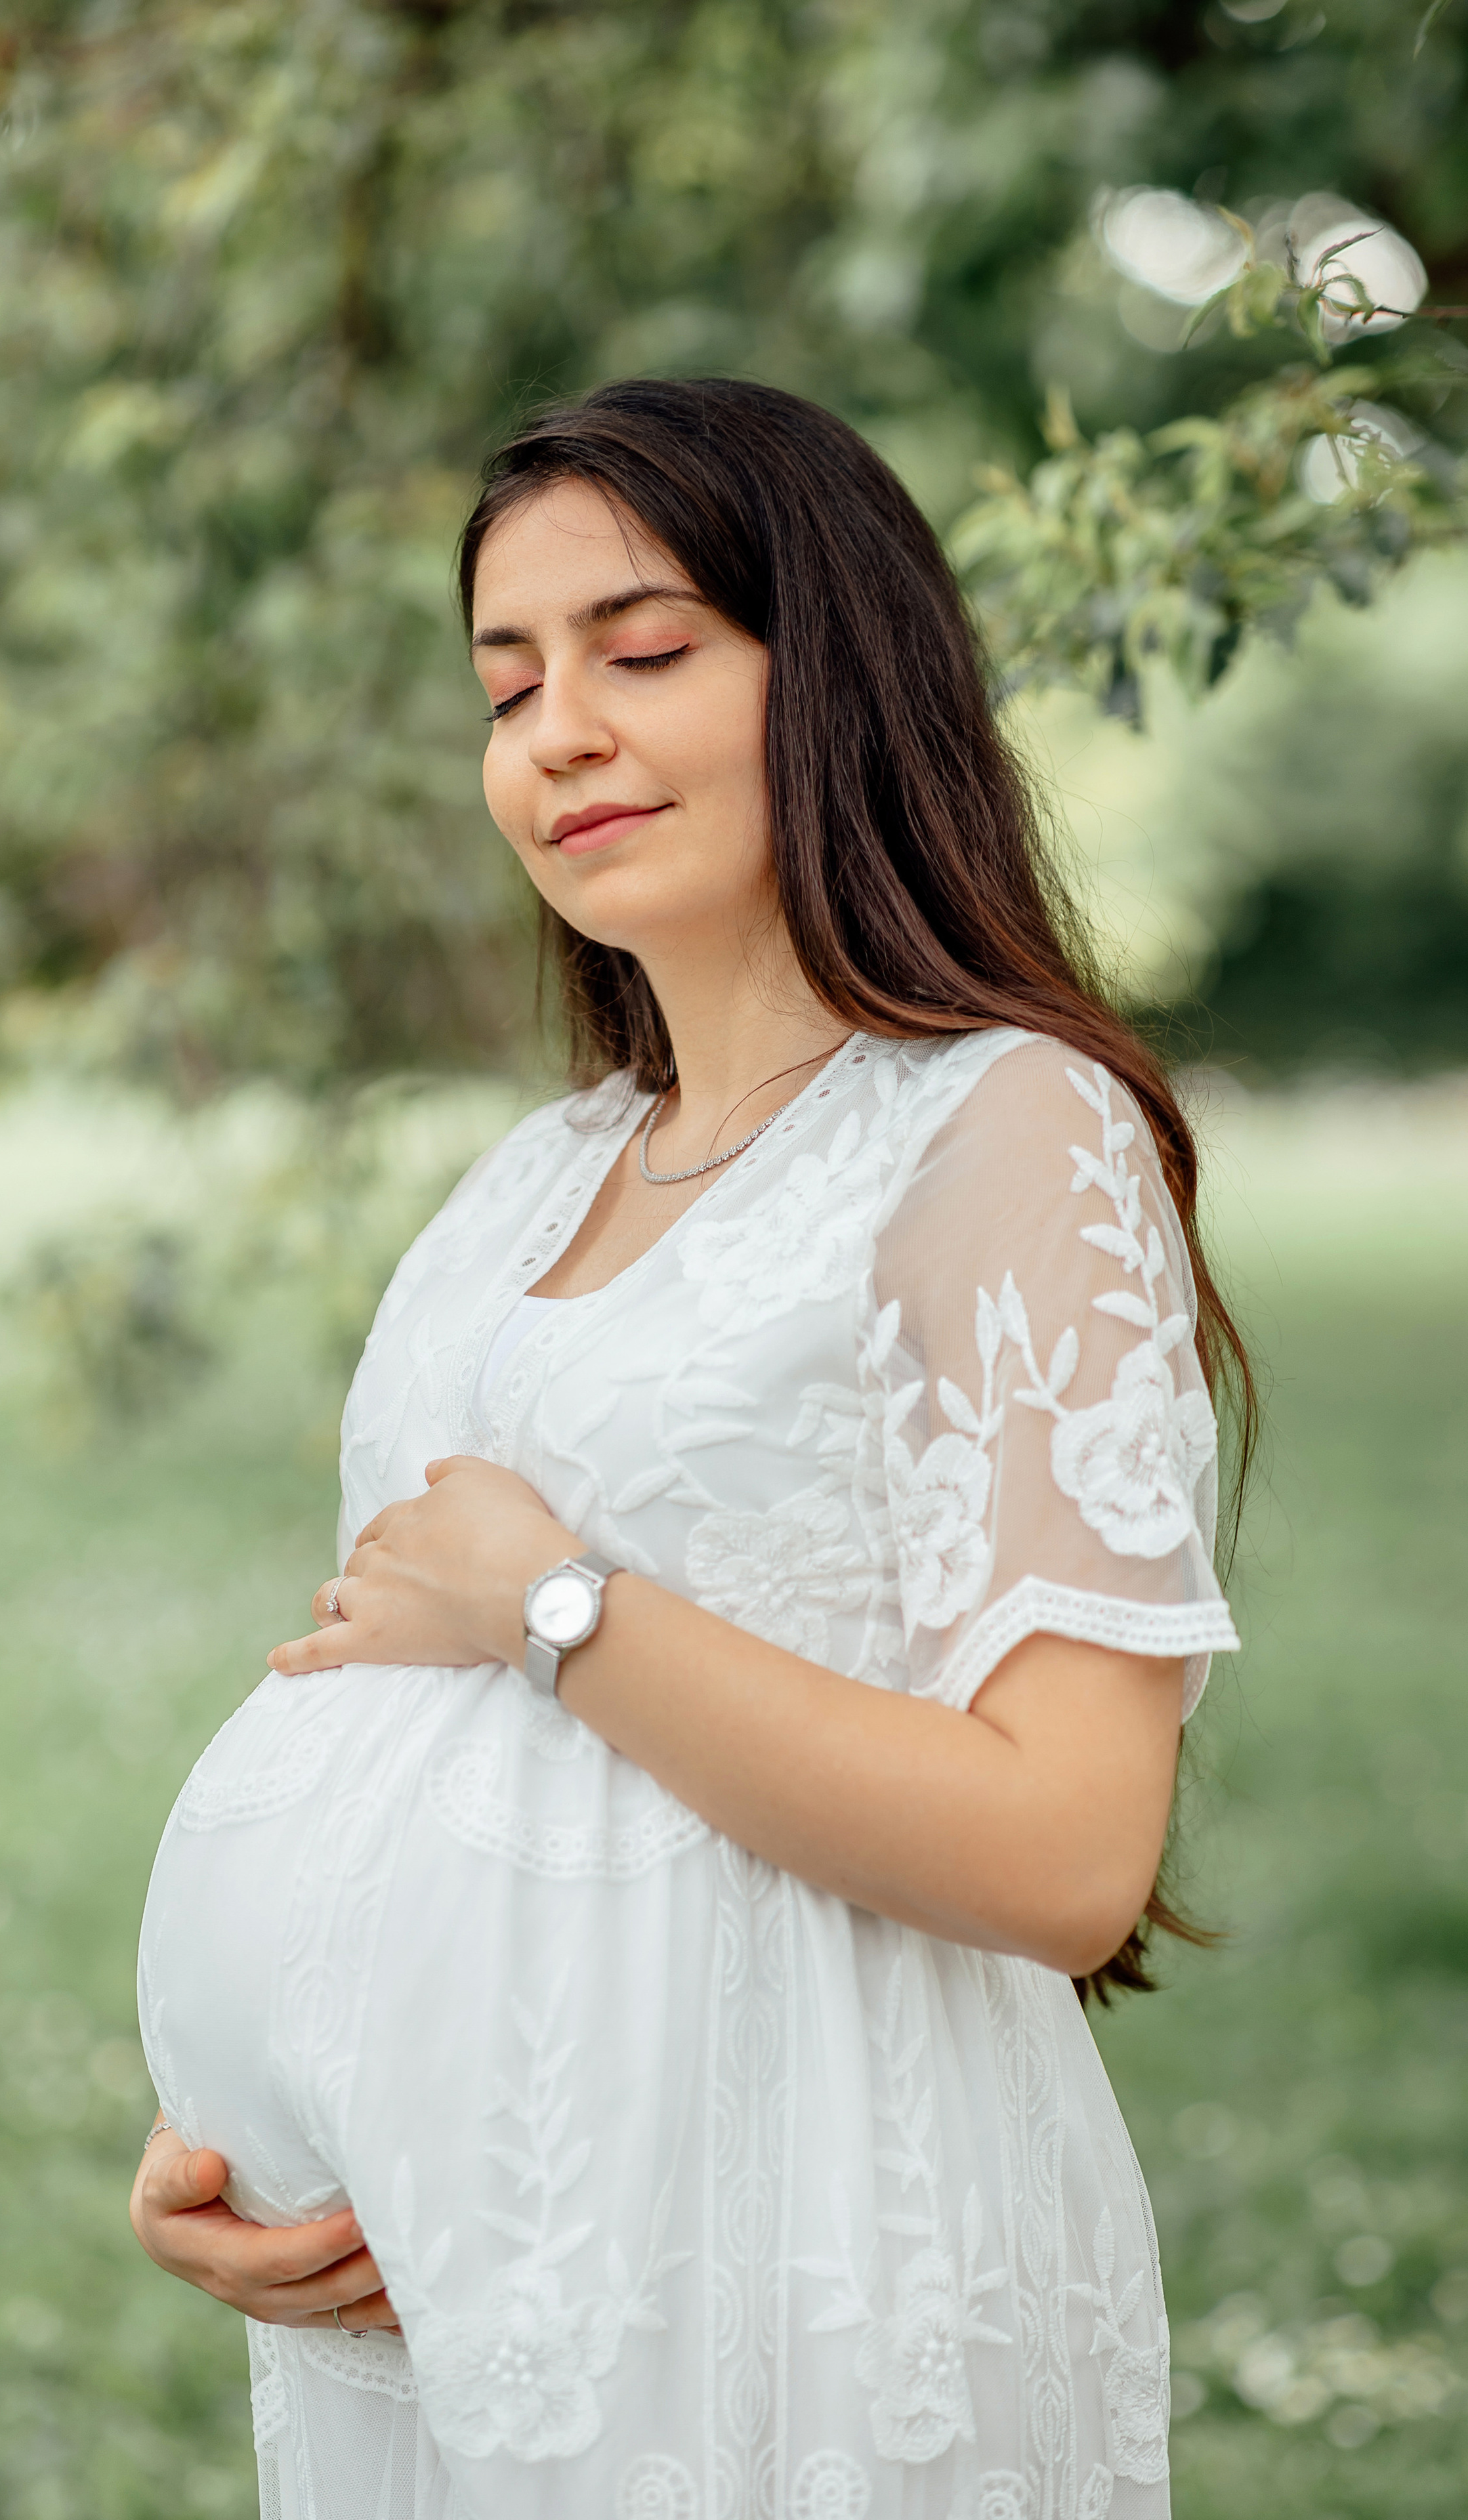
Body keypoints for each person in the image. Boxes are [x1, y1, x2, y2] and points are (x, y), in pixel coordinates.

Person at [129, 377, 1249, 2520]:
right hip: (463, 2286)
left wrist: (557, 1609)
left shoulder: (1003, 1129)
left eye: (642, 654)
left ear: (837, 679)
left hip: (803, 2260)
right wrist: (224, 2154)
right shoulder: (523, 1188)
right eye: (507, 679)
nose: (556, 730)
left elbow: (1068, 1850)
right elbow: (374, 1744)